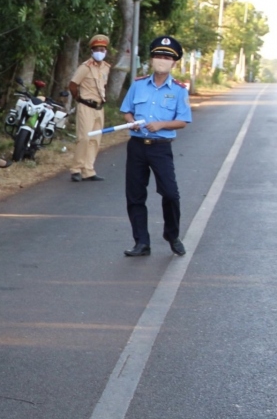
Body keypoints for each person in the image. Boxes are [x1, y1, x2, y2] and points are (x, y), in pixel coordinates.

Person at [121, 35, 193, 257]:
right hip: (137, 146)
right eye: (158, 56)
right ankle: (141, 242)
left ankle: (172, 235)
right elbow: (126, 110)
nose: (161, 60)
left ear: (174, 63)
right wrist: (130, 121)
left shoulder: (179, 90)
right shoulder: (138, 85)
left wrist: (162, 124)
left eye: (166, 57)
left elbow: (183, 120)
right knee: (135, 195)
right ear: (152, 59)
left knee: (170, 194)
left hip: (161, 147)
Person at [68, 33, 112, 182]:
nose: (100, 51)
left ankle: (88, 170)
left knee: (95, 140)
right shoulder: (85, 67)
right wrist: (78, 98)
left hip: (99, 107)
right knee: (84, 138)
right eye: (97, 49)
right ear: (92, 51)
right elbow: (73, 84)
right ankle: (76, 168)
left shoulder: (106, 68)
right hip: (86, 106)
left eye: (102, 49)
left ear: (105, 51)